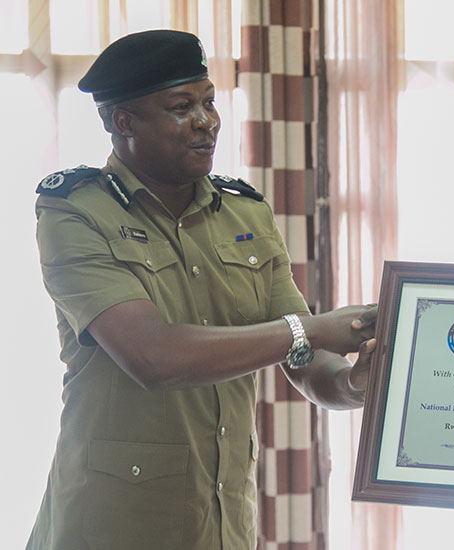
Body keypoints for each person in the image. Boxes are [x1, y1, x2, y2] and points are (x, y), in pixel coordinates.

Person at [27, 30, 376, 550]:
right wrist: (312, 329)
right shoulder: (75, 211)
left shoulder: (247, 212)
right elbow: (154, 356)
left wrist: (355, 385)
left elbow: (307, 363)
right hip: (112, 528)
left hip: (223, 526)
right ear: (124, 122)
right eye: (181, 106)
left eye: (210, 101)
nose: (206, 121)